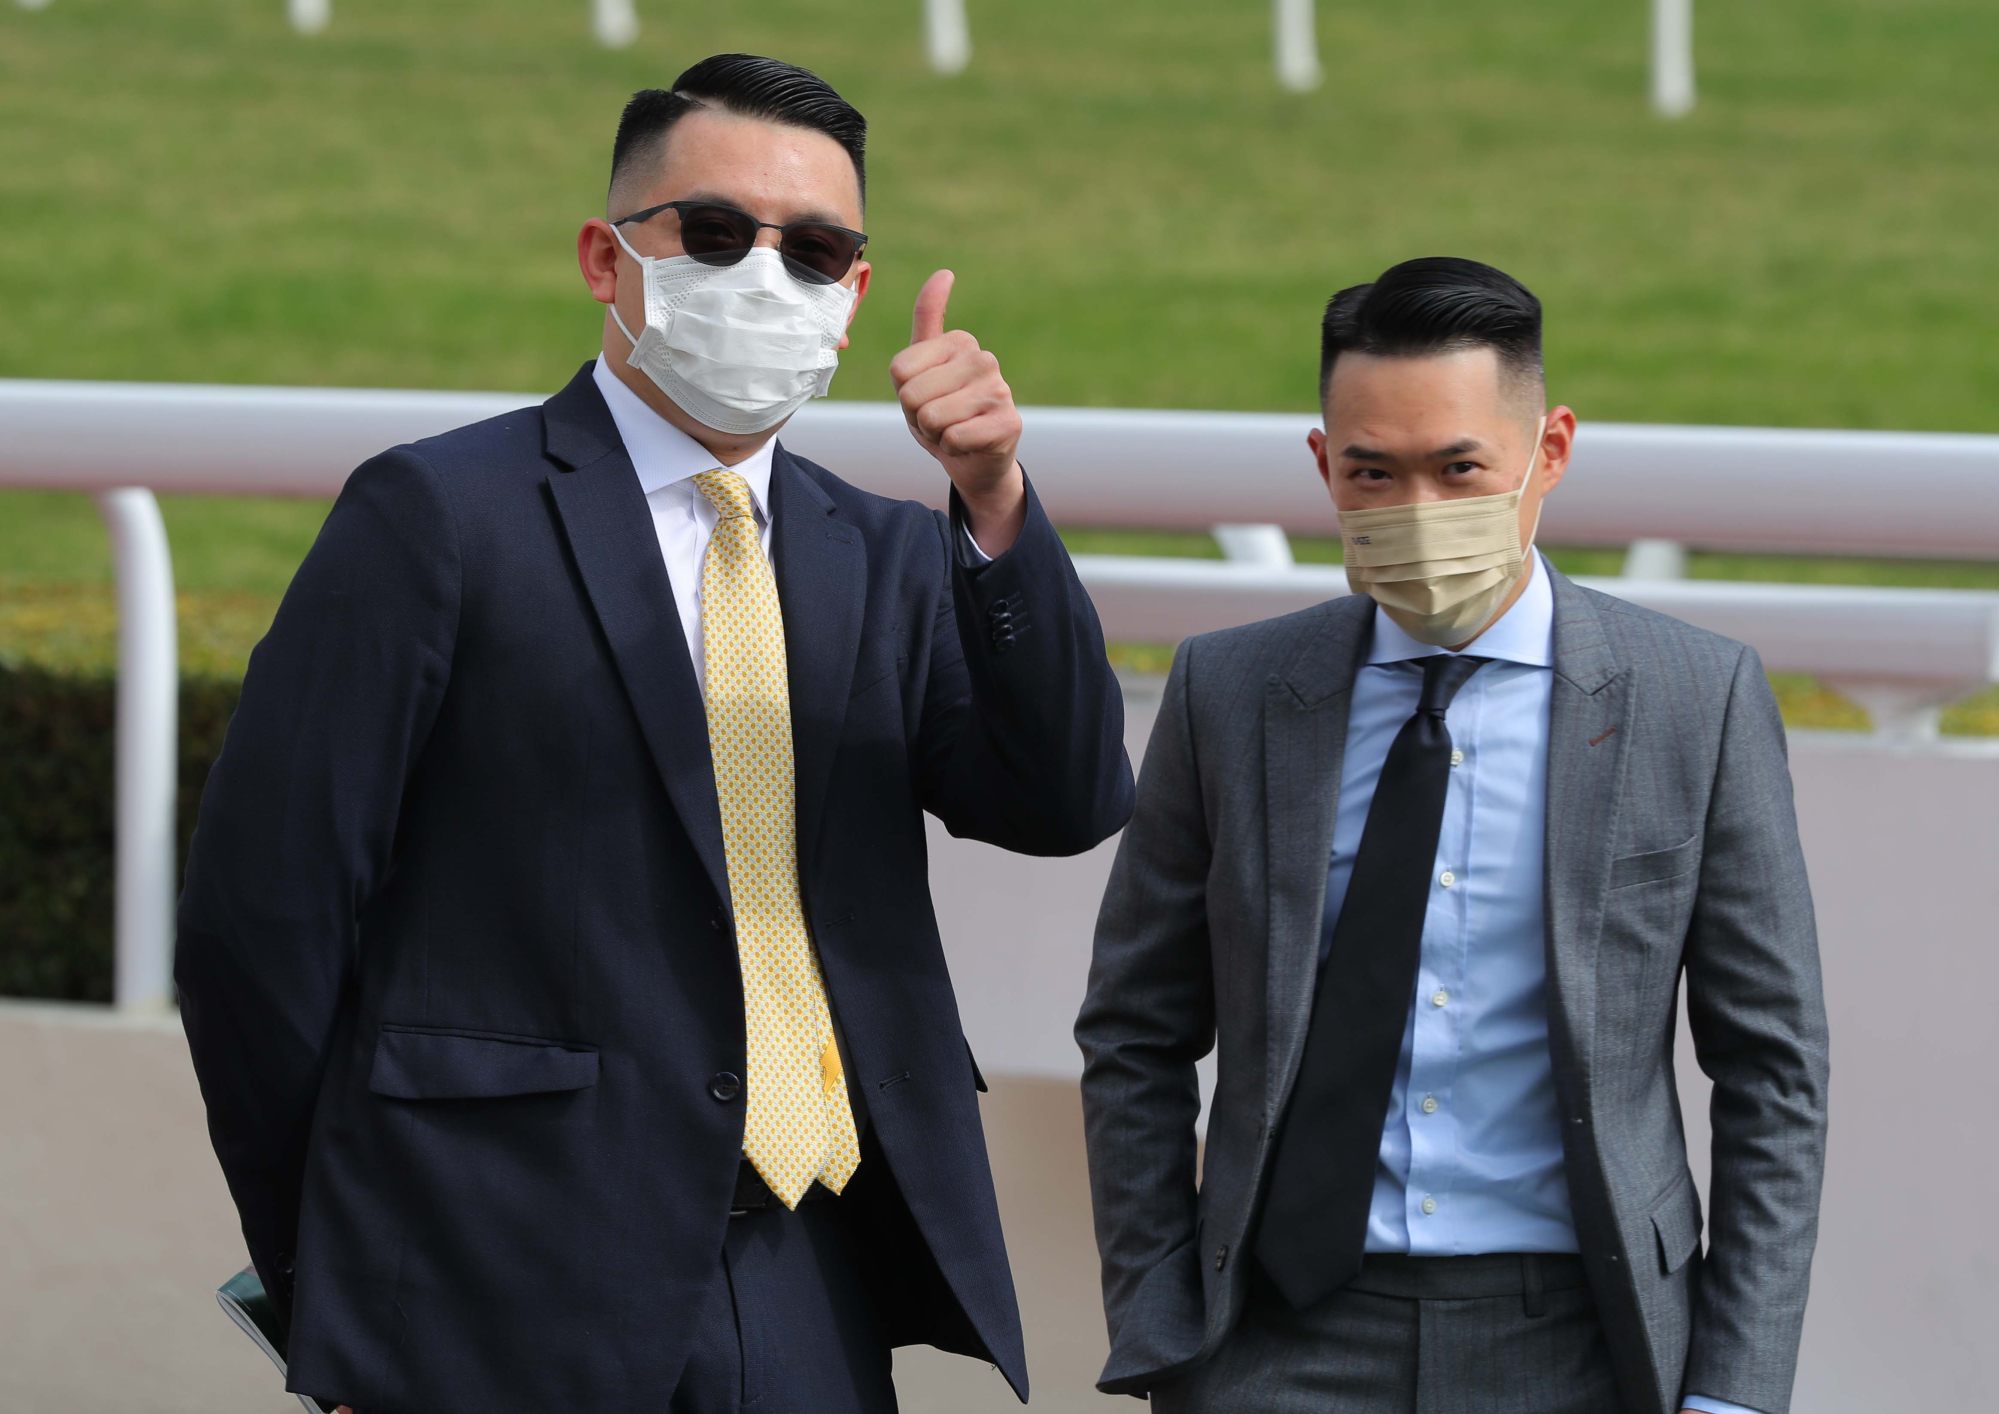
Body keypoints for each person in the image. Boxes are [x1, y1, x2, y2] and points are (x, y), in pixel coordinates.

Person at [175, 53, 1133, 1414]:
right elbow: (254, 933)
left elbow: (1062, 795)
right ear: (603, 257)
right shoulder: (437, 518)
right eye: (716, 231)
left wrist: (991, 502)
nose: (764, 272)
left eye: (812, 248)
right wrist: (334, 1290)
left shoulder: (885, 553)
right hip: (490, 1280)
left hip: (810, 1265)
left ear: (855, 296)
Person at [1075, 257, 1828, 1414]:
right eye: (1373, 473)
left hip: (1584, 1339)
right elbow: (1136, 1028)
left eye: (1459, 468)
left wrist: (1734, 1389)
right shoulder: (1229, 693)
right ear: (1324, 465)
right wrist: (1160, 1314)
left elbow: (1772, 1067)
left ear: (1550, 451)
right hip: (1275, 1343)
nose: (1417, 512)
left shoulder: (1695, 697)